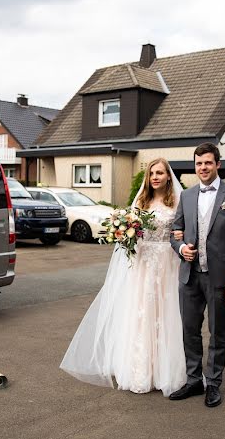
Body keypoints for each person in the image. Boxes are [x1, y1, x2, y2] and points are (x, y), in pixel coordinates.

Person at [60, 158, 187, 395]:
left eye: (160, 173)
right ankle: (140, 369)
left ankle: (166, 370)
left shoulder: (178, 201)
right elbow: (132, 232)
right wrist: (123, 234)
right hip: (143, 265)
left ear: (169, 176)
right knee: (141, 314)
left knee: (166, 314)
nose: (155, 177)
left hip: (167, 263)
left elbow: (181, 231)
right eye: (152, 174)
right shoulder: (141, 200)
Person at [169, 143, 225, 408]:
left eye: (207, 163)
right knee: (189, 331)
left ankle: (213, 383)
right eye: (198, 163)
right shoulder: (188, 195)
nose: (203, 168)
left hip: (218, 277)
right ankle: (194, 380)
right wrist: (181, 248)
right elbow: (175, 230)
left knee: (217, 331)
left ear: (218, 164)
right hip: (189, 276)